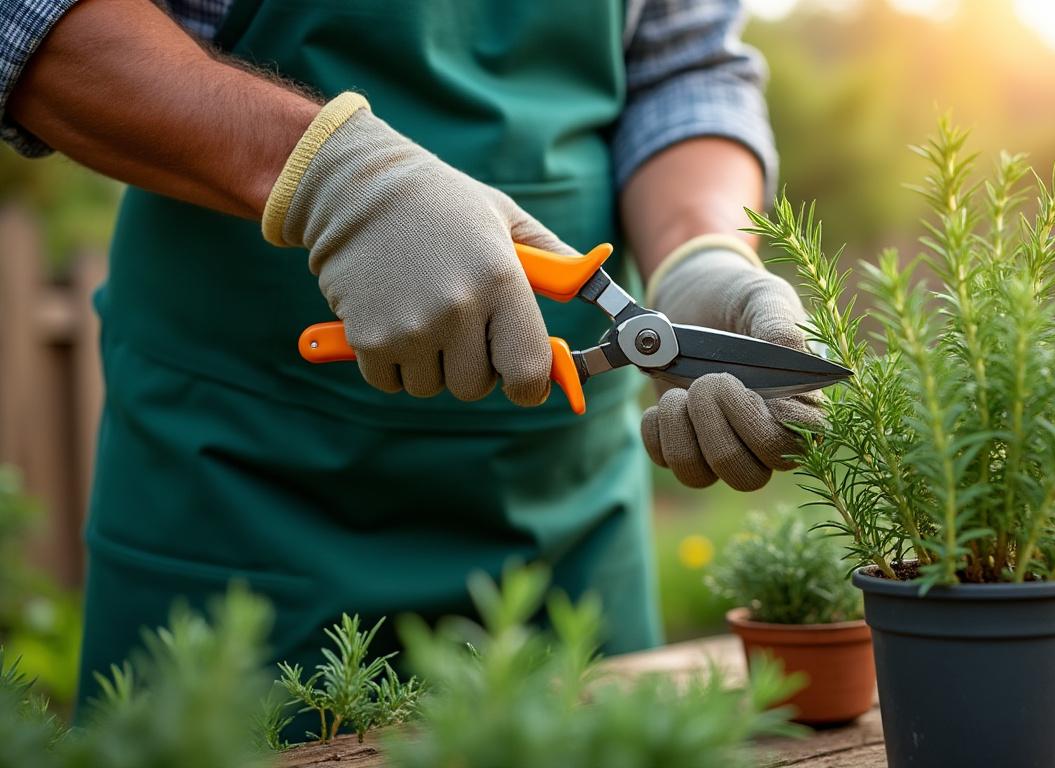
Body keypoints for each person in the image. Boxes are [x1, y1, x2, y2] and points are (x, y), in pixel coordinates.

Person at [0, 0, 822, 709]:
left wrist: (697, 255)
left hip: (567, 515)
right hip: (236, 480)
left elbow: (683, 70)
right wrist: (332, 177)